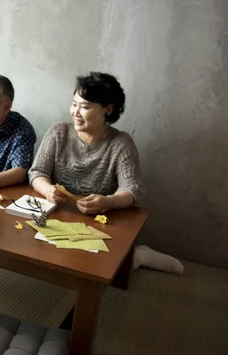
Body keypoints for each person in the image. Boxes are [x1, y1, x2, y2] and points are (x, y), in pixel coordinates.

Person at [29, 71, 182, 274]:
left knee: (98, 266)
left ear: (107, 110)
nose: (75, 112)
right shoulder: (59, 133)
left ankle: (138, 255)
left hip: (99, 223)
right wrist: (48, 190)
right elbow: (37, 172)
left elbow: (132, 190)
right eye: (74, 104)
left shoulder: (121, 143)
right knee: (37, 255)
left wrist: (107, 202)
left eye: (85, 107)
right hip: (60, 215)